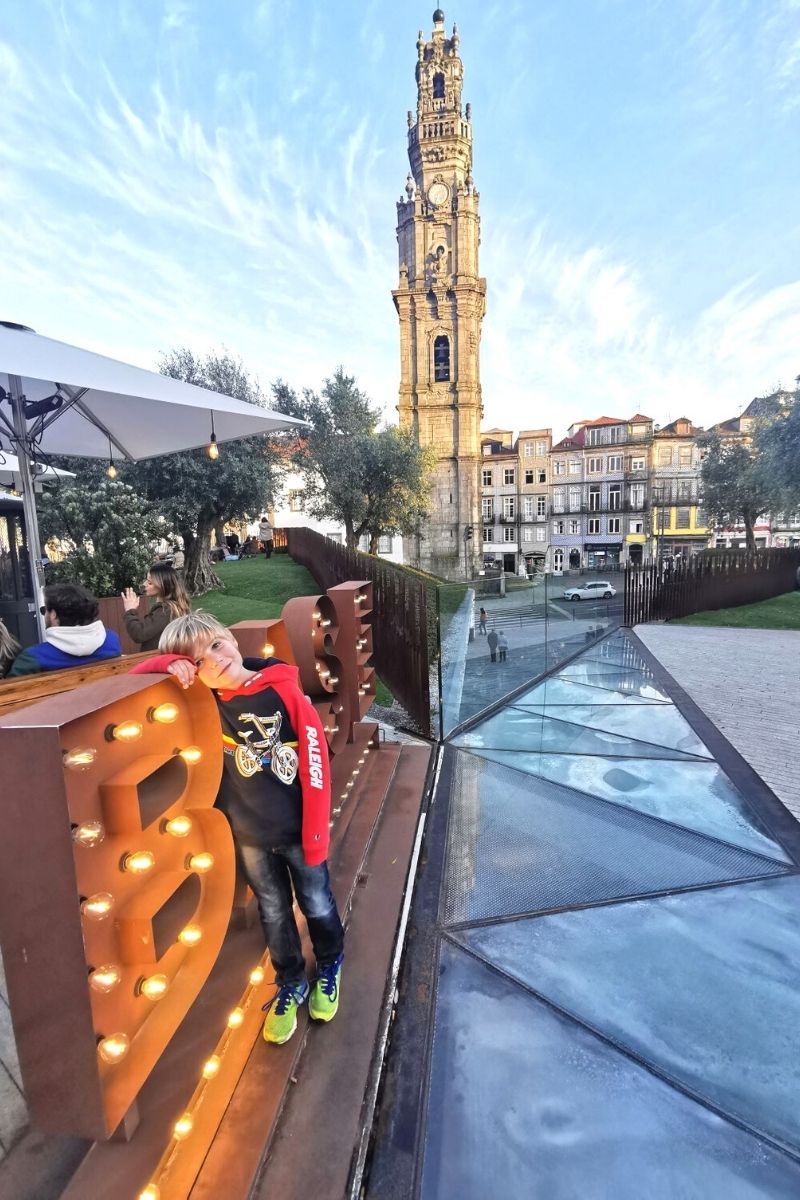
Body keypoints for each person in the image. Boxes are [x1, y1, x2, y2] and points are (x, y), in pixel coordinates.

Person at [130, 611, 344, 1046]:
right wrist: (167, 666)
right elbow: (136, 673)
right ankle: (290, 981)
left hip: (300, 828)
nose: (212, 660)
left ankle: (328, 965)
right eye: (196, 660)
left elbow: (317, 761)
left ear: (230, 638)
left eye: (215, 645)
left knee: (317, 903)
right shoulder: (207, 703)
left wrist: (317, 832)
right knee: (273, 910)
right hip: (249, 835)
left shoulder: (283, 690)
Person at [6, 583, 121, 676]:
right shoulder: (112, 641)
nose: (44, 614)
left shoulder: (31, 659)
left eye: (44, 610)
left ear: (54, 615)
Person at [121, 563, 191, 652]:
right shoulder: (172, 608)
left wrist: (130, 610)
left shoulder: (166, 611)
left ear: (163, 586)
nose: (144, 584)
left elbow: (139, 634)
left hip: (159, 662)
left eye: (150, 583)